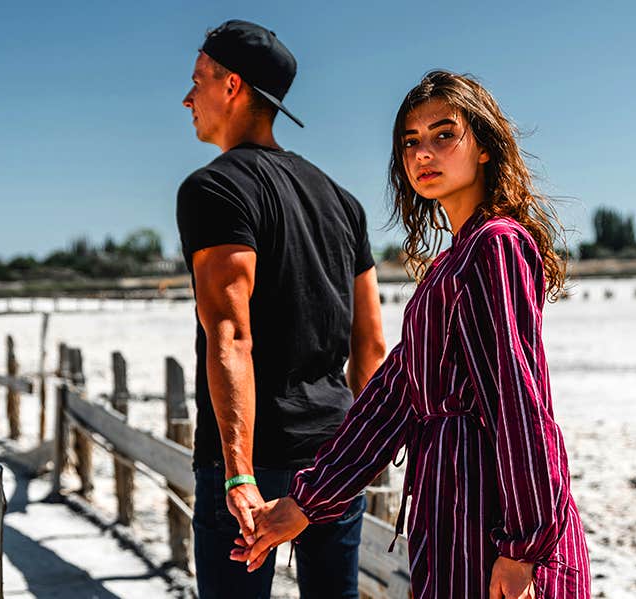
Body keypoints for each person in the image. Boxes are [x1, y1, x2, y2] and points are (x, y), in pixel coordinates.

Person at [234, 70, 592, 598]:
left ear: (485, 147)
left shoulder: (496, 246)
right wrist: (304, 504)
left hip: (492, 520)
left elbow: (520, 399)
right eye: (410, 141)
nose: (424, 153)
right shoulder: (451, 265)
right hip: (448, 513)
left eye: (444, 134)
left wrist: (523, 547)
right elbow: (390, 401)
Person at [176, 19, 387, 599]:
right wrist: (360, 455)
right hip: (334, 451)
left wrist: (237, 471)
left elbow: (230, 334)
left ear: (232, 86)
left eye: (198, 81)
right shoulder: (342, 200)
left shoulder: (214, 189)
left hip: (255, 461)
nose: (187, 97)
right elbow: (370, 346)